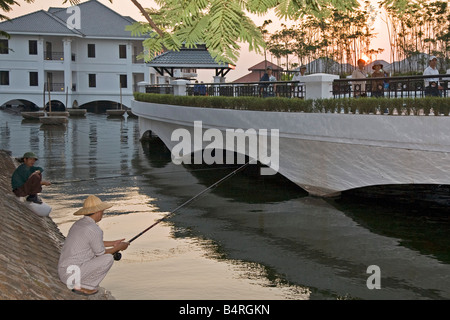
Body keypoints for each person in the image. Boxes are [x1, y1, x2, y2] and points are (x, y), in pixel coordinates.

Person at [58, 195, 129, 296]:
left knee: (99, 255)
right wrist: (119, 247)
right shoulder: (94, 229)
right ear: (98, 212)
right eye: (102, 212)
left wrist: (113, 243)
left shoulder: (79, 224)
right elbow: (101, 253)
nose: (102, 214)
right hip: (71, 276)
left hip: (64, 271)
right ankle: (86, 286)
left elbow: (92, 241)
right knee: (108, 258)